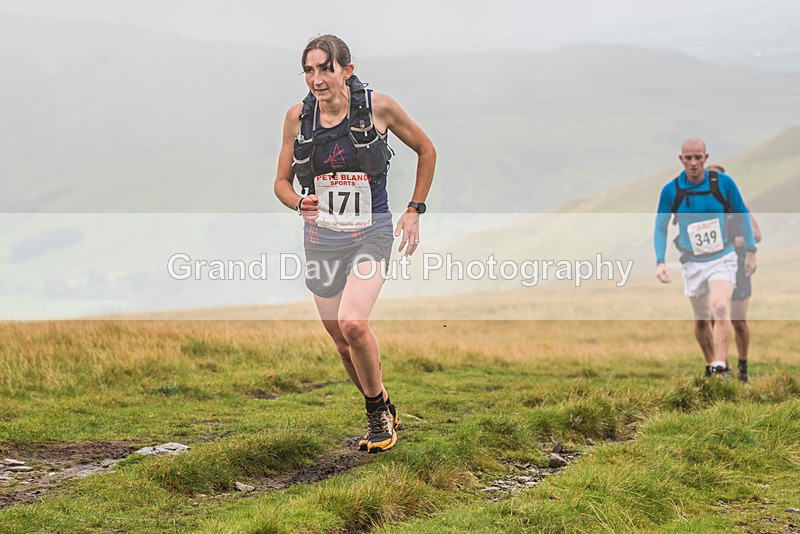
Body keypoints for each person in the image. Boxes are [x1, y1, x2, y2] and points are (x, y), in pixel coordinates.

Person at [274, 35, 435, 453]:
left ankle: (377, 417)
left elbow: (426, 149)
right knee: (343, 345)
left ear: (346, 70)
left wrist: (414, 208)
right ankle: (382, 402)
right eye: (309, 70)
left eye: (325, 69)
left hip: (371, 231)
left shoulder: (378, 107)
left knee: (353, 323)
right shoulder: (297, 118)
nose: (317, 79)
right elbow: (281, 183)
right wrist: (299, 202)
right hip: (321, 239)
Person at [654, 138, 757, 380]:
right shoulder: (671, 191)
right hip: (692, 262)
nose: (693, 162)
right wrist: (660, 261)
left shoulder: (724, 184)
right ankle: (711, 363)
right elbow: (660, 227)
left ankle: (721, 364)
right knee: (701, 320)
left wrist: (751, 250)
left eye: (698, 157)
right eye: (688, 158)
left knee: (720, 307)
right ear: (681, 159)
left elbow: (742, 214)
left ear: (706, 158)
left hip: (722, 257)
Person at [706, 164, 763, 382]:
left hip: (738, 263)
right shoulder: (704, 207)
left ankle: (743, 367)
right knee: (715, 316)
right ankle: (721, 365)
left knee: (738, 321)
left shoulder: (738, 204)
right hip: (713, 265)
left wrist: (735, 241)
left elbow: (756, 234)